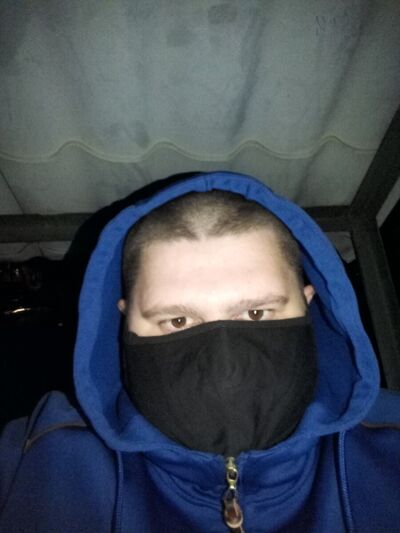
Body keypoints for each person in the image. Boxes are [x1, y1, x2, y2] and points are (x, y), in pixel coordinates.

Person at [0, 171, 399, 532]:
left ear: (309, 304)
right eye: (178, 321)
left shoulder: (391, 440)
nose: (224, 368)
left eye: (256, 313)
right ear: (124, 321)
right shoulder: (37, 455)